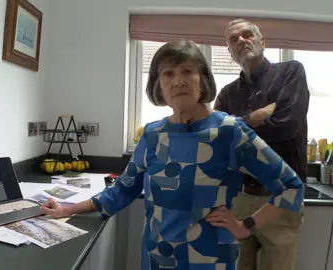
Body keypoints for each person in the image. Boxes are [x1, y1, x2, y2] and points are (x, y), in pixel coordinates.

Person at [41, 40, 304, 269]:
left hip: (210, 261)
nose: (178, 80)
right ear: (159, 87)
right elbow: (122, 190)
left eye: (187, 71)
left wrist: (245, 226)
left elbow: (291, 186)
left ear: (202, 80)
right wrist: (66, 208)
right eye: (167, 74)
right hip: (157, 258)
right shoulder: (153, 135)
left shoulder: (229, 131)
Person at [214, 19, 309, 270]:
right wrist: (252, 118)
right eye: (234, 39)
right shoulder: (226, 93)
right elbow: (217, 140)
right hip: (239, 200)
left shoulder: (291, 72)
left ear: (262, 42)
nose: (241, 40)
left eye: (247, 35)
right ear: (230, 52)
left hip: (281, 200)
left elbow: (287, 125)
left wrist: (236, 127)